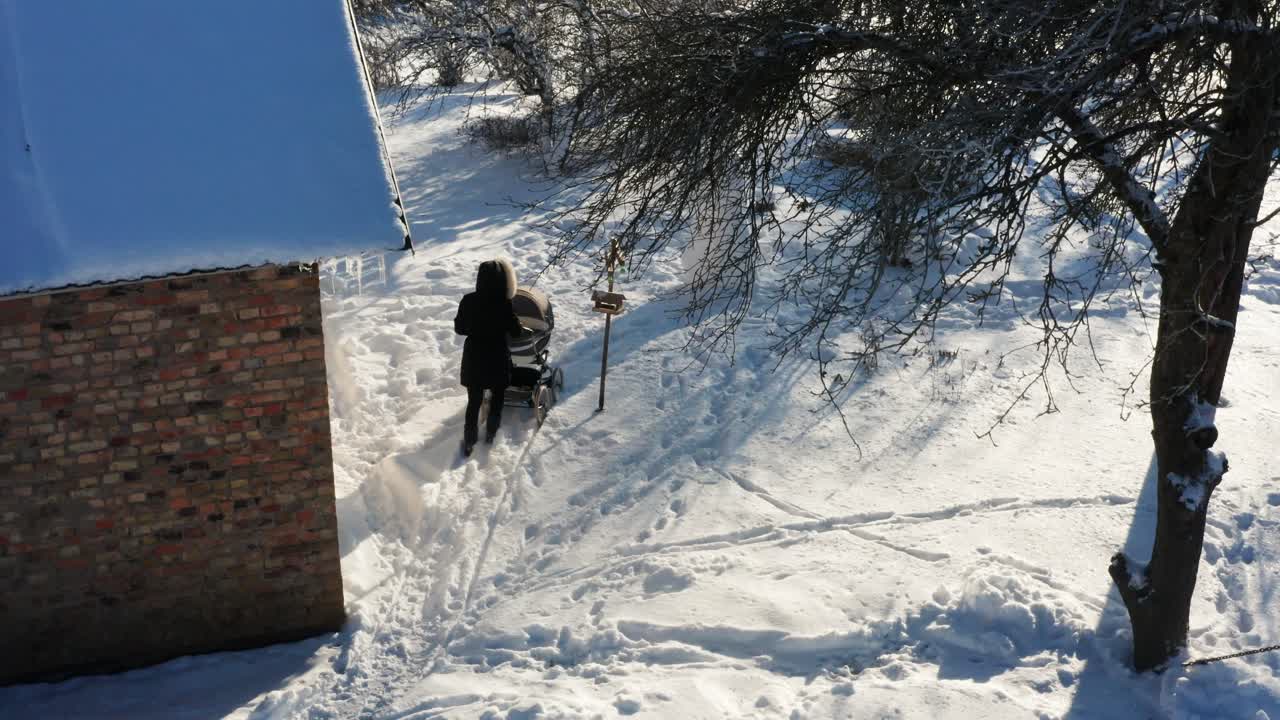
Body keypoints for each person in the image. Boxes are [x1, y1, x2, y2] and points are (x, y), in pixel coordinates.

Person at [454, 259, 522, 455]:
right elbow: (516, 331)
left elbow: (459, 328)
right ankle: (491, 432)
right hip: (497, 355)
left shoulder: (468, 300)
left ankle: (469, 440)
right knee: (498, 397)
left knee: (474, 401)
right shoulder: (504, 303)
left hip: (474, 356)